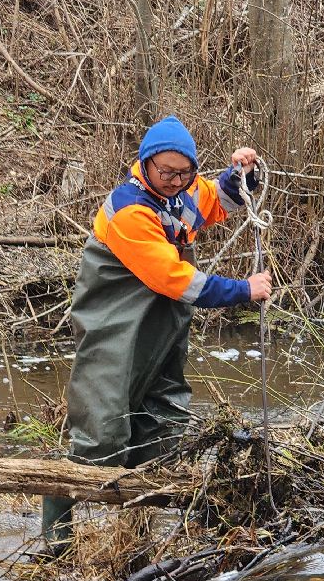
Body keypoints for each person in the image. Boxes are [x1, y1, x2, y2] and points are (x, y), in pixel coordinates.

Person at [42, 115, 271, 548]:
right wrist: (244, 289)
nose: (174, 181)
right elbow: (176, 280)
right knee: (101, 435)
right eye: (165, 172)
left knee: (163, 425)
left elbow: (219, 199)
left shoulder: (184, 189)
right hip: (112, 325)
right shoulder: (129, 210)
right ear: (145, 165)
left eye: (183, 173)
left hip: (159, 329)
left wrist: (244, 173)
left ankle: (138, 538)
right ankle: (56, 543)